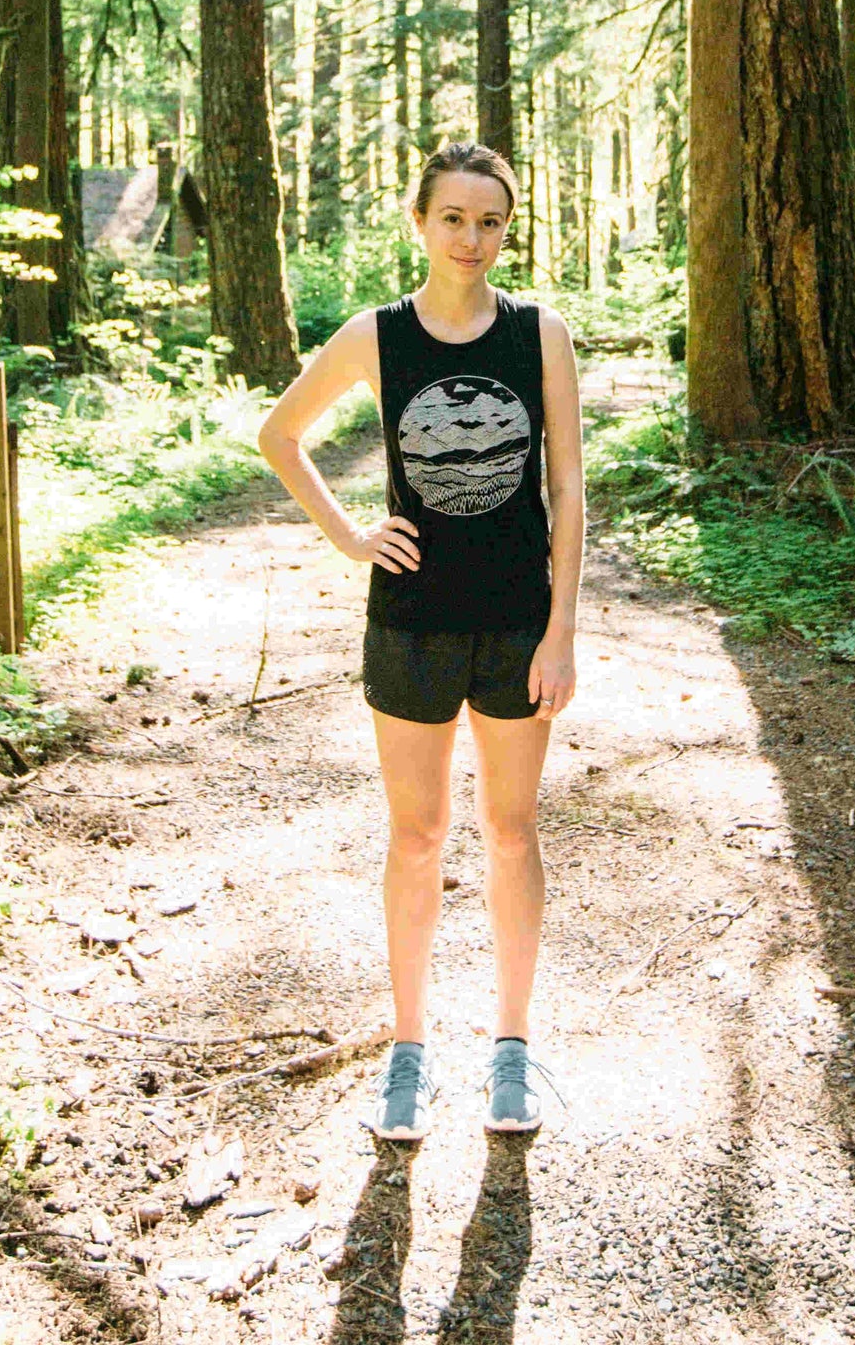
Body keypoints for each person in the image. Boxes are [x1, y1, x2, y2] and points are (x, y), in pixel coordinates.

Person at [257, 139, 584, 1140]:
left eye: (489, 220)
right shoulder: (377, 336)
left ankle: (512, 1049)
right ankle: (406, 1051)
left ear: (504, 226)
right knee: (416, 834)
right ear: (419, 222)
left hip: (515, 619)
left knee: (513, 830)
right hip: (408, 619)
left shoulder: (539, 335)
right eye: (452, 217)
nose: (471, 237)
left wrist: (562, 626)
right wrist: (351, 533)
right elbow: (280, 434)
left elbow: (566, 488)